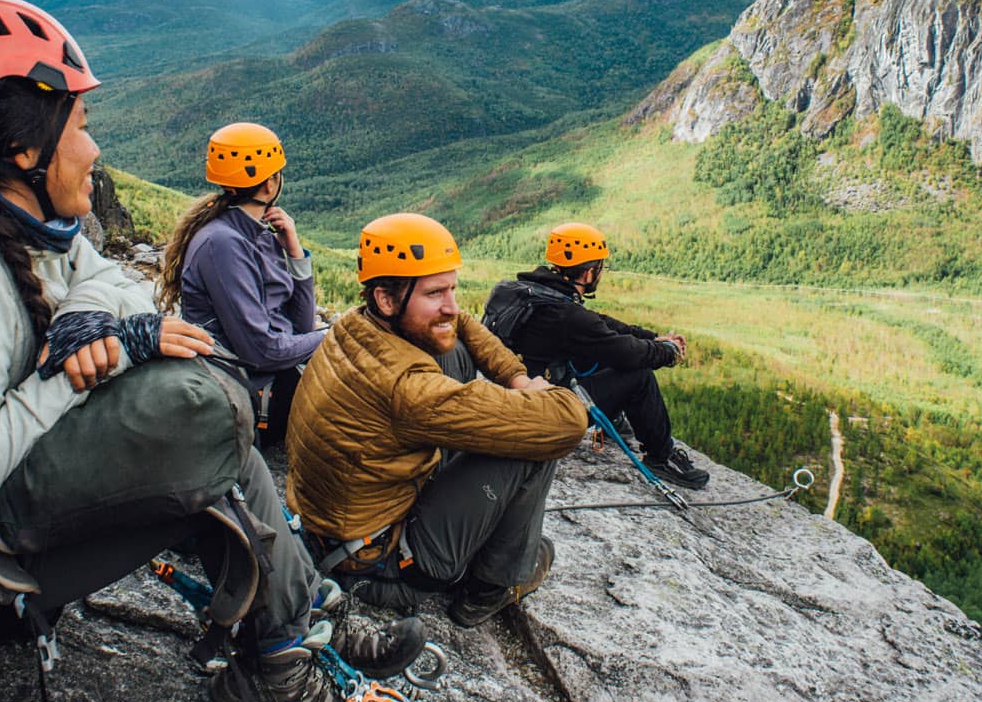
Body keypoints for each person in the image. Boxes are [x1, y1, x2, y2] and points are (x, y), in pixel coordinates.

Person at [0, 0, 421, 702]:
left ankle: (298, 621)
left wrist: (83, 322)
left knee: (202, 421)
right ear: (24, 150)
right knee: (195, 414)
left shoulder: (9, 219)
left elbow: (106, 275)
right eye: (82, 127)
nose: (94, 150)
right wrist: (78, 371)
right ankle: (284, 646)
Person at [284, 213, 589, 628]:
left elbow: (458, 323)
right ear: (387, 298)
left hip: (337, 529)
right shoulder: (409, 389)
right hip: (387, 565)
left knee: (449, 346)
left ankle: (477, 537)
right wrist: (533, 392)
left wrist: (514, 376)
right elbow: (568, 423)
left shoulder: (357, 325)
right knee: (535, 434)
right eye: (435, 293)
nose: (451, 304)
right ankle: (489, 588)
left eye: (453, 289)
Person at [483, 222, 710, 490]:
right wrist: (667, 353)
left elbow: (600, 325)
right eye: (601, 268)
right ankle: (660, 457)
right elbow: (627, 354)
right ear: (590, 273)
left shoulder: (532, 293)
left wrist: (651, 337)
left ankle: (612, 420)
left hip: (514, 397)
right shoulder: (566, 315)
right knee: (638, 377)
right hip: (541, 414)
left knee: (593, 355)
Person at [156, 122, 324, 448]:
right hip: (252, 392)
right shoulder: (223, 244)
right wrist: (331, 338)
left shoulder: (258, 233)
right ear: (269, 185)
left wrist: (294, 251)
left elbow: (300, 325)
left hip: (271, 379)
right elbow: (261, 351)